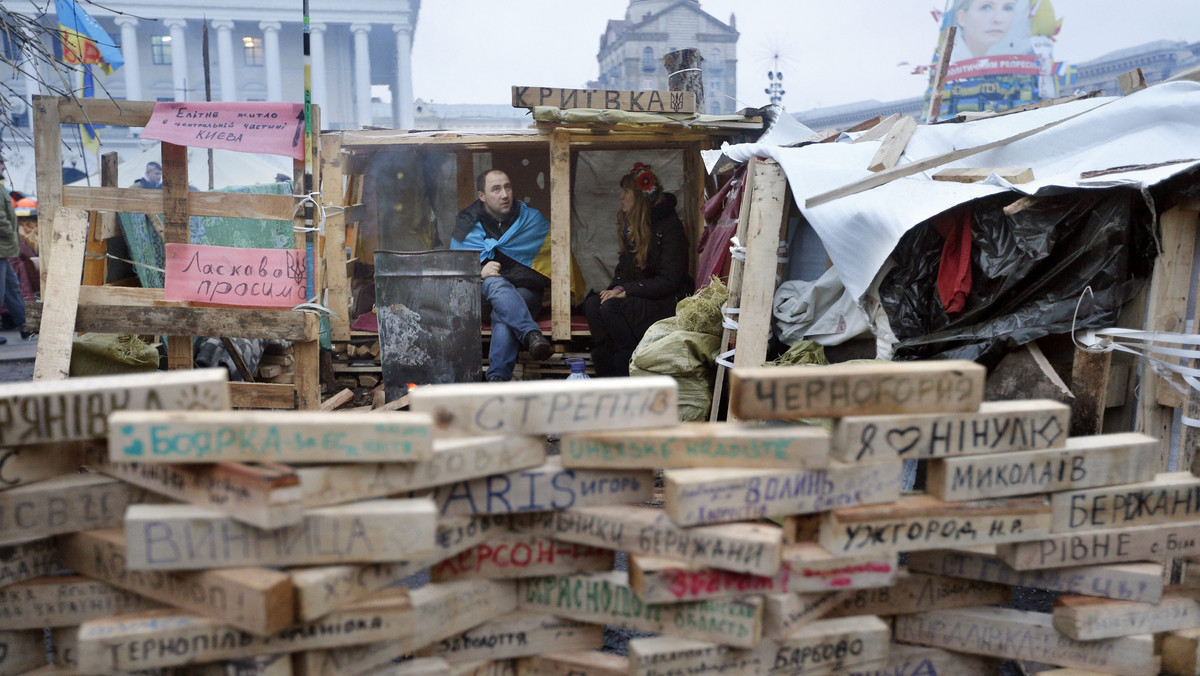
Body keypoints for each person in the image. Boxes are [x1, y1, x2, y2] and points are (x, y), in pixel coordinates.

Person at [584, 163, 691, 377]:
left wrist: (627, 290)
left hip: (667, 301)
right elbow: (624, 270)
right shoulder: (635, 225)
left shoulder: (670, 228)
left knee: (611, 308)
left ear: (639, 197)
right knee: (594, 304)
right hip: (643, 295)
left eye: (626, 192)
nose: (621, 197)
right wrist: (614, 289)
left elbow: (669, 280)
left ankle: (627, 366)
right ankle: (606, 374)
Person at [451, 169, 555, 382]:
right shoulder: (466, 223)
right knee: (493, 284)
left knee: (505, 311)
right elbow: (453, 272)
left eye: (507, 187)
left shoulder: (531, 220)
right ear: (482, 196)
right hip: (483, 302)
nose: (505, 194)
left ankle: (497, 379)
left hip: (526, 295)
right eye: (496, 189)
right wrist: (479, 273)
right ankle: (531, 334)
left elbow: (553, 263)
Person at [0, 156, 27, 345]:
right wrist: (10, 234)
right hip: (2, 245)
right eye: (1, 165)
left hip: (3, 247)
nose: (3, 168)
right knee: (2, 290)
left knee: (11, 287)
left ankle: (26, 326)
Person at [952, 0, 1018, 59]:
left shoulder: (998, 60)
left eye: (1007, 8)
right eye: (986, 7)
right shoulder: (949, 61)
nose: (998, 19)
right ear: (962, 18)